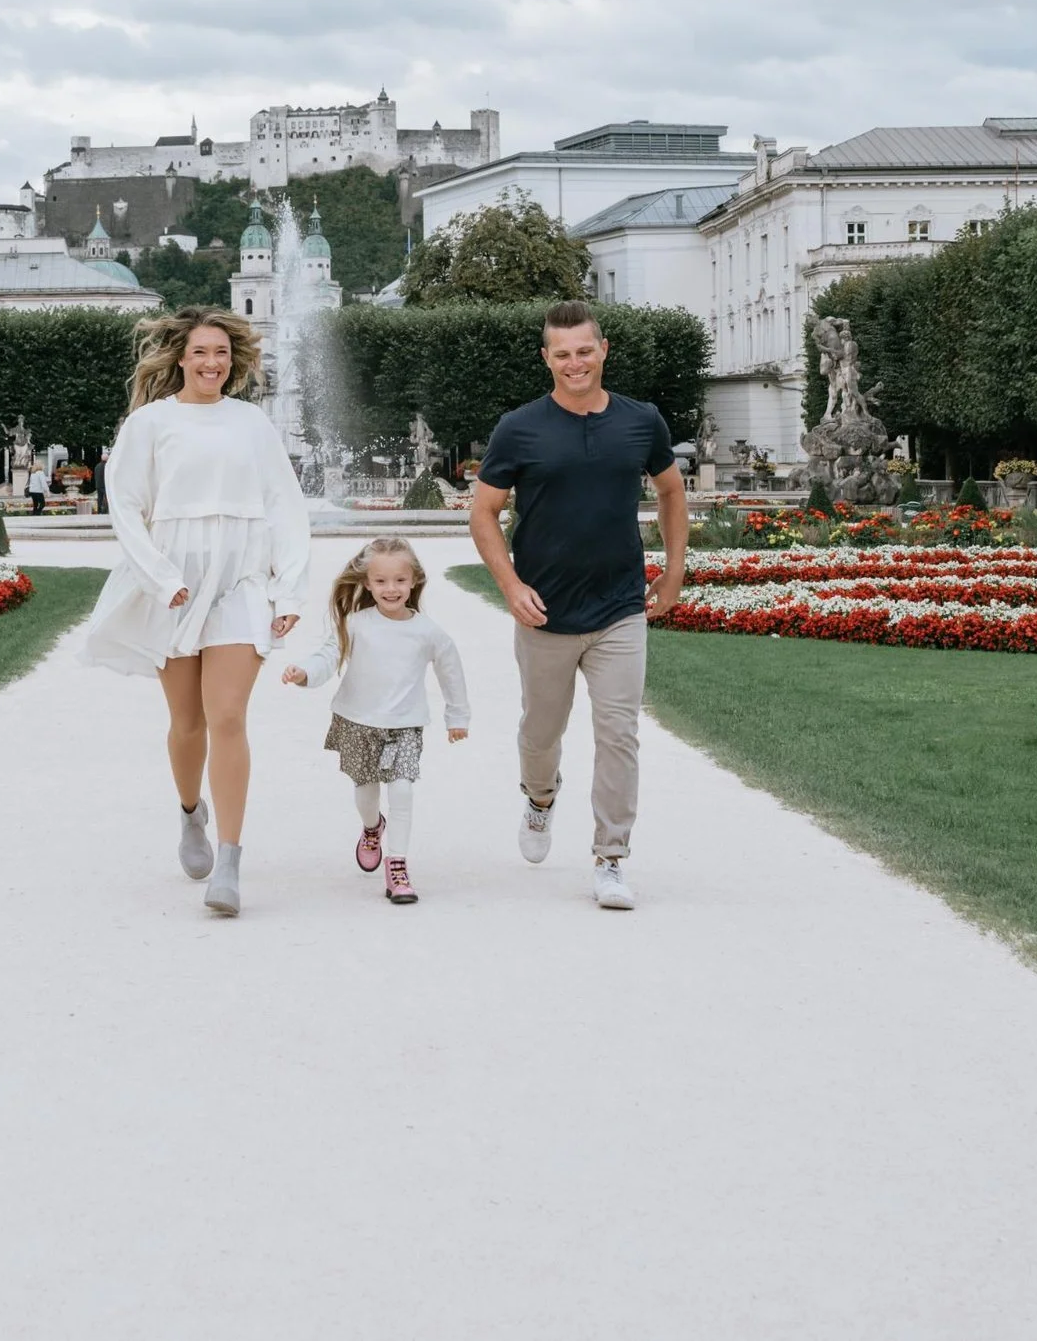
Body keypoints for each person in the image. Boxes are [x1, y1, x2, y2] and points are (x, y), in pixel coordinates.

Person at [84, 306, 309, 916]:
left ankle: (230, 863)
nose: (212, 363)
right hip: (176, 586)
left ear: (232, 360)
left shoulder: (253, 423)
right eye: (201, 352)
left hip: (241, 582)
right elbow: (125, 506)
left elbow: (285, 507)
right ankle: (191, 815)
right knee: (189, 723)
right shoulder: (150, 423)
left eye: (221, 353)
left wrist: (287, 592)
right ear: (180, 358)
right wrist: (161, 578)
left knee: (228, 715)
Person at [469, 299, 687, 910]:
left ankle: (611, 857)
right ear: (546, 359)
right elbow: (483, 513)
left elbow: (672, 493)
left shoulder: (642, 422)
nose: (574, 363)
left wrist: (672, 573)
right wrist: (511, 586)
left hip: (620, 607)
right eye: (561, 354)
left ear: (603, 350)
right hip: (545, 613)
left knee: (619, 733)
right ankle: (540, 799)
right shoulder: (519, 428)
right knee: (541, 732)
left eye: (584, 351)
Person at [282, 538, 469, 905]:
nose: (391, 589)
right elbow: (327, 654)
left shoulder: (428, 631)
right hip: (357, 720)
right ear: (367, 583)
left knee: (402, 790)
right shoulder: (355, 624)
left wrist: (457, 717)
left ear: (413, 581)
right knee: (365, 793)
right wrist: (304, 673)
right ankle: (372, 828)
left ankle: (397, 866)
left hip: (405, 725)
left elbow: (451, 670)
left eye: (400, 580)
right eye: (381, 581)